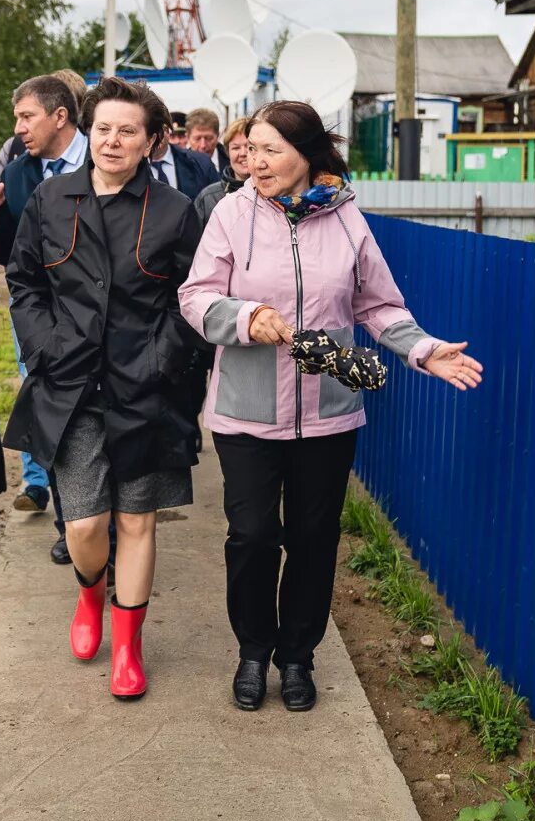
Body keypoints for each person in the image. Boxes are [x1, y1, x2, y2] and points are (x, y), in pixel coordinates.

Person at [178, 100, 482, 712]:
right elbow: (195, 296)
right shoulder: (233, 213)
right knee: (254, 535)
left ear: (306, 155)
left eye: (270, 151)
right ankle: (252, 650)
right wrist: (246, 317)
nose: (254, 162)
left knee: (315, 537)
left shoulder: (345, 218)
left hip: (329, 411)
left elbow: (378, 305)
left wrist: (423, 350)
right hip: (247, 410)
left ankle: (297, 657)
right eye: (251, 149)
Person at [4, 76, 203, 700]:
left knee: (138, 522)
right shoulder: (50, 199)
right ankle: (90, 595)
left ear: (151, 142)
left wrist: (160, 361)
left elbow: (190, 298)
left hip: (146, 393)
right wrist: (44, 348)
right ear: (89, 130)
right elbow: (25, 280)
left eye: (128, 131)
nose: (113, 141)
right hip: (70, 387)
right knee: (86, 526)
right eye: (105, 129)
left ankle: (129, 645)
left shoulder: (174, 212)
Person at [0, 75, 93, 565]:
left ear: (59, 116)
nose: (17, 128)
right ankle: (70, 526)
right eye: (17, 117)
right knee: (55, 422)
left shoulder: (102, 158)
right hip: (43, 324)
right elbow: (13, 254)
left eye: (26, 117)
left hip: (105, 318)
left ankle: (113, 526)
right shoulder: (20, 174)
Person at [146, 116, 221, 201]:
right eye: (149, 130)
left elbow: (215, 201)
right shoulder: (131, 167)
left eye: (158, 129)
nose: (154, 136)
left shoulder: (201, 163)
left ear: (167, 130)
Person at [193, 115, 251, 225]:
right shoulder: (208, 198)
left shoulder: (275, 194)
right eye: (236, 148)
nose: (243, 153)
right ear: (227, 152)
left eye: (249, 146)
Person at [185, 107, 226, 174]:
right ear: (188, 137)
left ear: (218, 136)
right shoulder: (179, 165)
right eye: (197, 139)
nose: (203, 145)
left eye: (209, 138)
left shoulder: (232, 162)